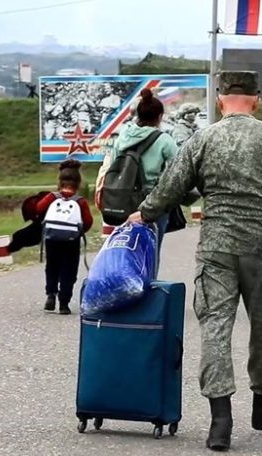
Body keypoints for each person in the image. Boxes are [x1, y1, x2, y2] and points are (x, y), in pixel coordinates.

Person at [127, 71, 262, 452]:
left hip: (217, 250)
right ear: (256, 100)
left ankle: (220, 422)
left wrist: (142, 215)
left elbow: (170, 188)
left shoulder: (202, 139)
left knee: (216, 328)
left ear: (220, 100)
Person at [95, 89, 178, 251]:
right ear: (160, 117)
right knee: (150, 252)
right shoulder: (165, 141)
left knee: (125, 247)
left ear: (138, 115)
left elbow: (113, 165)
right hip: (151, 203)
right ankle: (146, 277)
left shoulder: (123, 137)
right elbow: (176, 172)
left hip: (124, 200)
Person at [36, 160, 93, 315]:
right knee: (69, 270)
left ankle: (51, 294)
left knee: (52, 267)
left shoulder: (52, 197)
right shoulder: (80, 201)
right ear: (78, 182)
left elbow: (38, 208)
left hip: (52, 238)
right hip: (71, 241)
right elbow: (88, 222)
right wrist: (77, 231)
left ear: (59, 181)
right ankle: (64, 303)